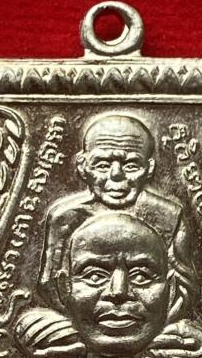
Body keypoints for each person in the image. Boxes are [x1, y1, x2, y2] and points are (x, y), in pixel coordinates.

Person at [15, 213, 202, 358]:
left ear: (171, 290)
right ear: (64, 288)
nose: (118, 292)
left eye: (141, 276)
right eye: (95, 276)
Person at [37, 113, 193, 312]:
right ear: (83, 166)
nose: (116, 175)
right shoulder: (65, 217)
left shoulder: (168, 216)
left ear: (149, 168)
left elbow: (184, 291)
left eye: (131, 165)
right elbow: (48, 286)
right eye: (102, 165)